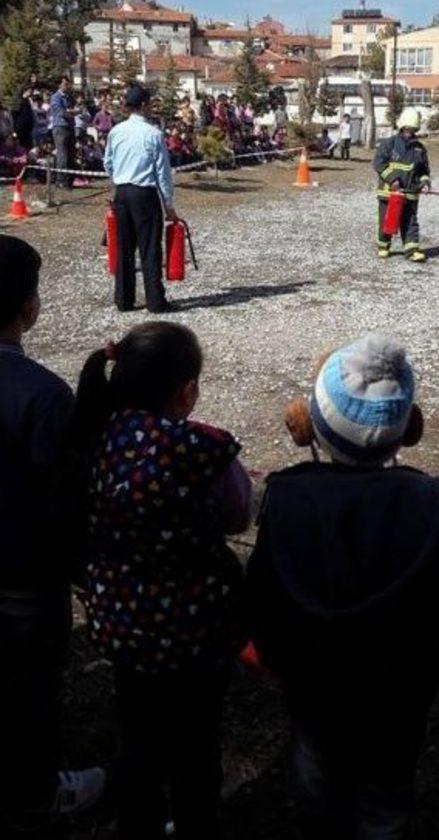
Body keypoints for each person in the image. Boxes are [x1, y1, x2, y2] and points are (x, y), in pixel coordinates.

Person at [247, 334, 439, 840]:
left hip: (311, 681)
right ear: (407, 429)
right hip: (400, 688)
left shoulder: (286, 499)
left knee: (316, 774)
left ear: (312, 425)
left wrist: (272, 655)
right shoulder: (427, 504)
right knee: (387, 790)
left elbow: (263, 592)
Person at [75, 322, 251, 840]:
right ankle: (196, 823)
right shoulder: (199, 448)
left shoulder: (91, 432)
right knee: (198, 745)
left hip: (122, 624)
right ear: (186, 390)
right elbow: (239, 515)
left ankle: (139, 821)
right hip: (195, 628)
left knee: (138, 734)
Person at [0, 236, 104, 837]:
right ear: (30, 308)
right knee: (31, 689)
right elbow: (65, 503)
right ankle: (38, 790)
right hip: (22, 579)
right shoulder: (42, 395)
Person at [104, 85, 178, 314]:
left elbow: (107, 163)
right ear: (145, 105)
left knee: (123, 248)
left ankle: (124, 300)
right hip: (144, 194)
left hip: (122, 192)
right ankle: (155, 301)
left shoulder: (116, 131)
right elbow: (162, 173)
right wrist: (168, 205)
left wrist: (119, 177)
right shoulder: (153, 134)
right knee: (149, 248)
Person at [374, 108, 431, 261]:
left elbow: (424, 171)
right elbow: (379, 164)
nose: (409, 132)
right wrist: (393, 180)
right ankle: (383, 246)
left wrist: (425, 183)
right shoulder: (389, 144)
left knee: (410, 222)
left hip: (411, 194)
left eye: (412, 130)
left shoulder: (419, 149)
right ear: (401, 127)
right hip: (389, 193)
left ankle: (411, 251)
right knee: (387, 220)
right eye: (407, 129)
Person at [50, 75, 78, 189]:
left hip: (71, 127)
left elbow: (76, 109)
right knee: (63, 155)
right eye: (65, 84)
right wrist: (72, 112)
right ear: (60, 85)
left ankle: (70, 180)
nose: (67, 86)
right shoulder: (55, 97)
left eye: (68, 84)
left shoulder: (70, 97)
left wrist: (72, 111)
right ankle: (61, 180)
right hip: (60, 128)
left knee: (71, 154)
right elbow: (63, 113)